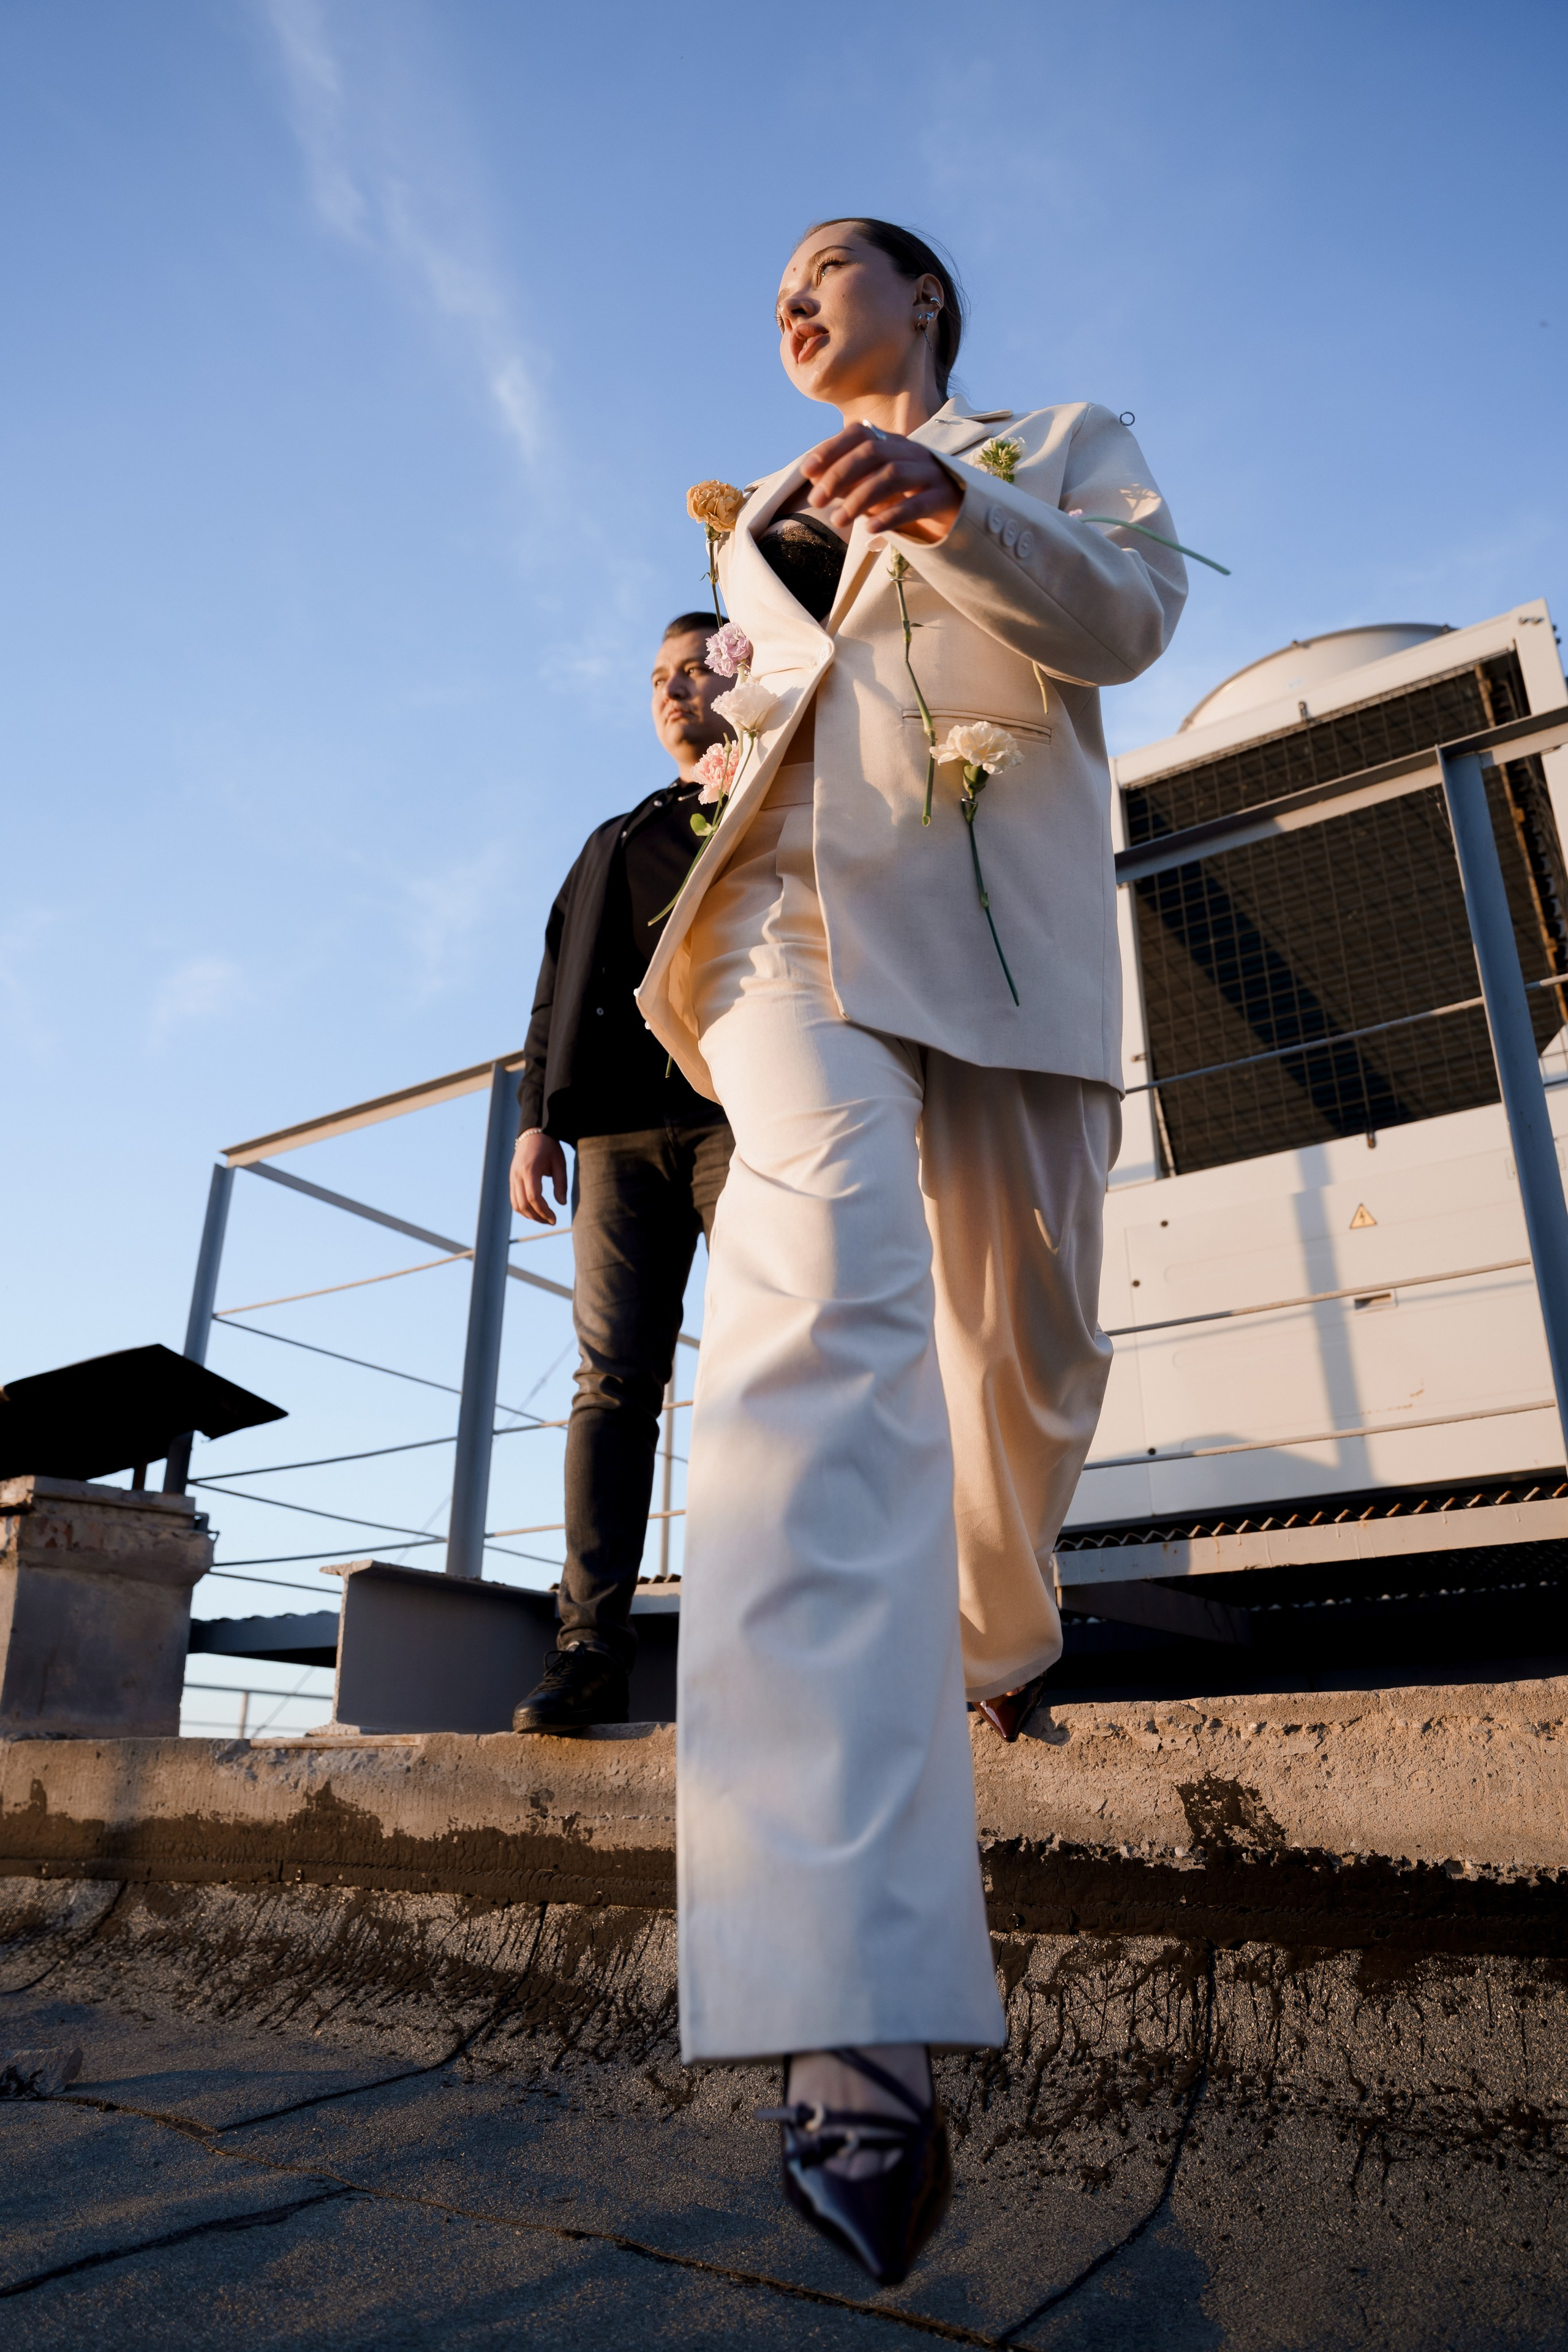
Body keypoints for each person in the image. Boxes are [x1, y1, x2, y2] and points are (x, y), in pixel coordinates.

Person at [636, 220, 1187, 2280]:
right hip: (792, 942)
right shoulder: (745, 522)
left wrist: (961, 510)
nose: (785, 300)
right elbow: (757, 736)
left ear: (924, 304)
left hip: (1007, 954)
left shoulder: (1053, 440)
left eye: (827, 270)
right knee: (817, 1315)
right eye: (766, 280)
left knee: (1021, 1366)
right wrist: (696, 719)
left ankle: (987, 1649)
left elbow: (1123, 621)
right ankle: (838, 1998)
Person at [508, 614, 736, 1733]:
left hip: (742, 1117)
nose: (673, 690)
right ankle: (591, 1643)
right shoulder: (616, 837)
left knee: (770, 1357)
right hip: (613, 1138)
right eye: (657, 677)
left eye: (694, 668)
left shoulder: (778, 797)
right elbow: (557, 990)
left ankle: (768, 1627)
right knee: (613, 1382)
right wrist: (533, 1121)